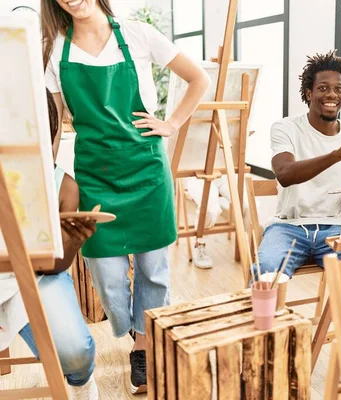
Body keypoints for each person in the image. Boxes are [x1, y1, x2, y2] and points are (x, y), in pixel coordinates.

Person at [41, 0, 211, 394]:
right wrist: (46, 177)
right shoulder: (56, 50)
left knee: (153, 270)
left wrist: (171, 123)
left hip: (146, 170)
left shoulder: (136, 33)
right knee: (107, 275)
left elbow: (197, 78)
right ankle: (133, 327)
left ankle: (143, 342)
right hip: (95, 175)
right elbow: (53, 120)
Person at [254, 50, 341, 379]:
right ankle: (268, 344)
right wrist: (338, 154)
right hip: (288, 227)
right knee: (266, 270)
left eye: (337, 89)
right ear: (309, 93)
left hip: (332, 229)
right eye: (322, 88)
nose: (331, 95)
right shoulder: (286, 127)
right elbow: (285, 173)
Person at [0, 89, 98, 399]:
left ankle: (82, 384)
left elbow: (56, 265)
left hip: (39, 276)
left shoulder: (63, 185)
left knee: (76, 351)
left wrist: (71, 241)